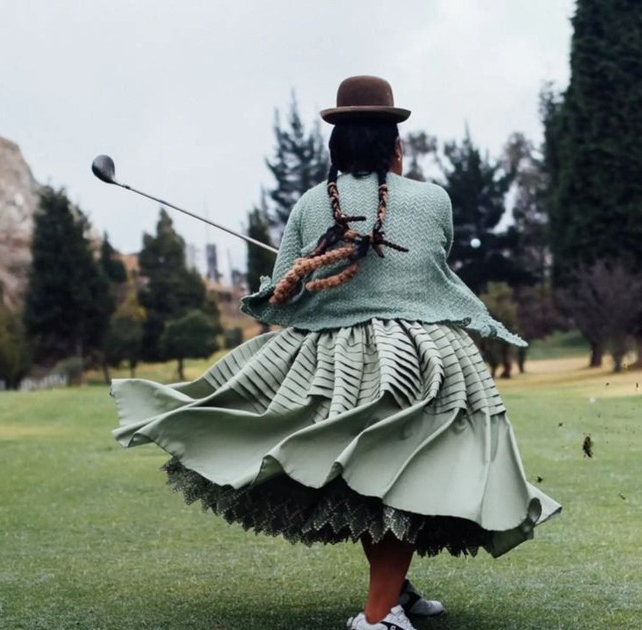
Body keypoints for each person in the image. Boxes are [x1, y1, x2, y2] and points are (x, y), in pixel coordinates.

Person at [111, 75, 561, 630]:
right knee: (398, 476)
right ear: (395, 144)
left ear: (338, 144)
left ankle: (393, 595)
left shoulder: (309, 204)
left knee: (378, 476)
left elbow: (283, 293)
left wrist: (294, 271)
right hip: (422, 362)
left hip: (338, 365)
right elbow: (431, 269)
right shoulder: (433, 200)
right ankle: (377, 619)